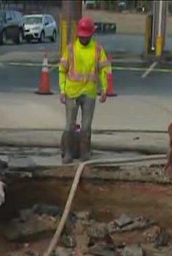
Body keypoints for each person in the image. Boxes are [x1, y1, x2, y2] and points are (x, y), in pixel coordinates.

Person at [58, 16, 111, 164]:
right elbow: (62, 70)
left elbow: (103, 70)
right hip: (72, 92)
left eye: (86, 36)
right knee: (69, 124)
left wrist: (104, 88)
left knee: (86, 126)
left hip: (89, 92)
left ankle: (84, 152)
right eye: (82, 36)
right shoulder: (71, 49)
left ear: (91, 35)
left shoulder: (97, 50)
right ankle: (67, 153)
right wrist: (62, 90)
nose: (84, 39)